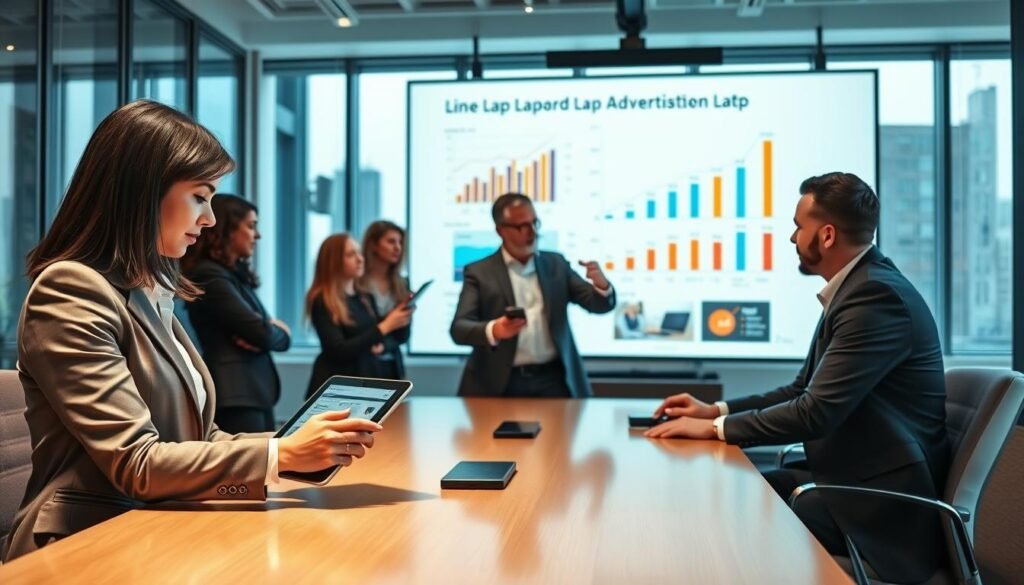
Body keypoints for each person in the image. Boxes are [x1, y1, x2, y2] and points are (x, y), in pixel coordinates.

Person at [2, 100, 380, 562]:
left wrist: (289, 446)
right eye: (201, 196)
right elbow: (137, 462)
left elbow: (199, 441)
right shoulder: (71, 289)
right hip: (82, 545)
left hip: (151, 529)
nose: (210, 219)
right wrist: (281, 456)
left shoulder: (147, 292)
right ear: (143, 191)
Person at [645, 172, 949, 583]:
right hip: (847, 478)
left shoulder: (875, 297)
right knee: (735, 488)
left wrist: (715, 430)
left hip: (884, 512)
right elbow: (800, 390)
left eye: (797, 226)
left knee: (729, 510)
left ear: (826, 235)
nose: (792, 237)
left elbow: (814, 412)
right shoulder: (858, 287)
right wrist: (715, 411)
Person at [450, 193, 616, 398]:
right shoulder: (479, 272)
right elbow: (459, 329)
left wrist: (601, 285)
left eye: (534, 223)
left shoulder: (556, 264)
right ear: (500, 230)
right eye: (522, 226)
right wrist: (495, 330)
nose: (532, 232)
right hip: (501, 382)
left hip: (554, 380)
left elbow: (597, 304)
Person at [181, 195, 290, 433]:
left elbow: (265, 334)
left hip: (251, 392)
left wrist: (275, 331)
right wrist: (271, 329)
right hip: (235, 395)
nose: (257, 235)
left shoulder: (232, 275)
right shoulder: (210, 275)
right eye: (251, 226)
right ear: (227, 229)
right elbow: (262, 333)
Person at [305, 234, 413, 398]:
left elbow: (388, 338)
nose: (360, 259)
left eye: (359, 253)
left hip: (365, 384)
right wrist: (385, 327)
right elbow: (338, 351)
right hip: (337, 390)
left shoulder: (365, 297)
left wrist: (402, 314)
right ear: (334, 262)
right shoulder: (322, 300)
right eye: (351, 255)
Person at [358, 220, 411, 379]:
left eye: (400, 242)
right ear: (373, 245)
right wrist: (389, 322)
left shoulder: (402, 284)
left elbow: (403, 335)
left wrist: (384, 345)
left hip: (392, 366)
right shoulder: (356, 283)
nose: (398, 248)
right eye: (391, 242)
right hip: (361, 366)